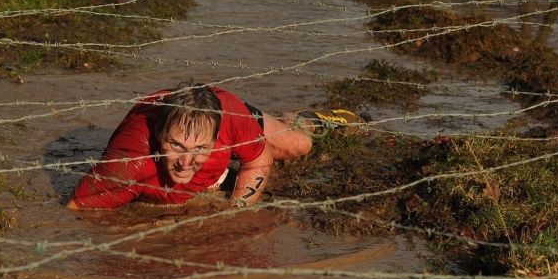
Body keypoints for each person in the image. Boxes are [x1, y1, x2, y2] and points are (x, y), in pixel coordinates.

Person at [66, 82, 359, 210]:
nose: (185, 161)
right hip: (177, 122)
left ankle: (304, 120)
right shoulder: (131, 160)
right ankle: (215, 174)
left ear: (218, 138)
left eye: (199, 149)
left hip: (228, 112)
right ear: (158, 135)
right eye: (176, 146)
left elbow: (258, 161)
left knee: (298, 146)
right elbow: (78, 209)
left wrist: (236, 210)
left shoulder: (231, 119)